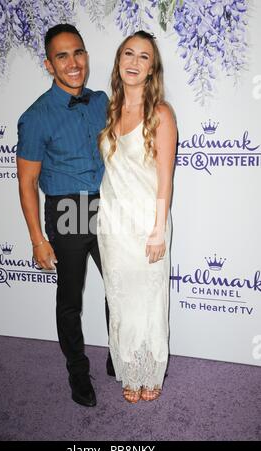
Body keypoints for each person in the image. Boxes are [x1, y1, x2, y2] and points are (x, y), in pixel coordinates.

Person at [16, 24, 115, 408]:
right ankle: (78, 371)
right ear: (48, 64)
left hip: (107, 205)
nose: (73, 63)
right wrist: (38, 240)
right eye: (62, 56)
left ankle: (117, 357)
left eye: (78, 52)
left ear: (86, 56)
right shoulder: (36, 116)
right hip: (68, 209)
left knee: (119, 291)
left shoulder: (102, 100)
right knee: (70, 299)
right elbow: (27, 184)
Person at [97, 31, 177, 403]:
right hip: (112, 224)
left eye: (143, 57)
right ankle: (129, 368)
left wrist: (159, 231)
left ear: (151, 69)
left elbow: (165, 179)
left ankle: (151, 370)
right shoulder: (109, 110)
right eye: (128, 53)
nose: (133, 62)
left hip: (148, 224)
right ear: (118, 61)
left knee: (150, 298)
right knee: (121, 298)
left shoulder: (161, 113)